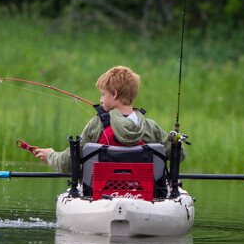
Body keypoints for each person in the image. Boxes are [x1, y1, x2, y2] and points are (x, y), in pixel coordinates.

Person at [34, 66, 184, 174]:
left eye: (103, 94)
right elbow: (180, 156)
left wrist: (51, 156)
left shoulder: (96, 125)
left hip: (100, 194)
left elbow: (68, 164)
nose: (100, 99)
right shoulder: (151, 127)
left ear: (114, 94)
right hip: (143, 194)